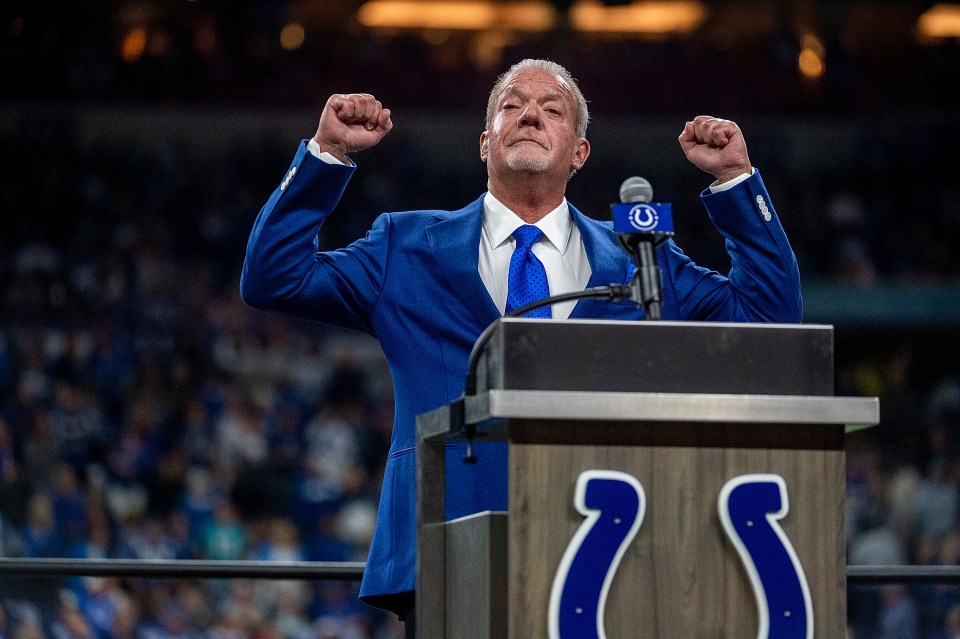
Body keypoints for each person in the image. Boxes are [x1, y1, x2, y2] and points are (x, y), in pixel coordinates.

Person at [240, 58, 802, 631]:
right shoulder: (404, 246)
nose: (530, 114)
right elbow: (272, 277)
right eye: (511, 105)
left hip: (601, 553)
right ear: (486, 143)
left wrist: (735, 181)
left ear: (579, 153)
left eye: (552, 110)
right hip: (446, 546)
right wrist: (327, 155)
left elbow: (769, 318)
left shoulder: (642, 259)